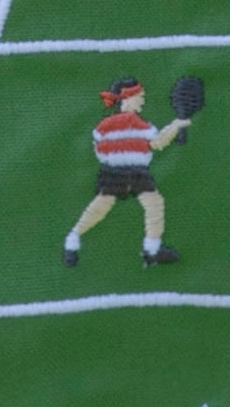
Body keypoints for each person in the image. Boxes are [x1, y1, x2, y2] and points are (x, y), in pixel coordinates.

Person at [63, 76, 187, 268]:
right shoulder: (137, 123)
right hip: (135, 172)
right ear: (128, 98)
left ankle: (73, 239)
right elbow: (158, 142)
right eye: (140, 96)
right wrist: (176, 125)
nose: (143, 100)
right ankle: (151, 250)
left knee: (102, 206)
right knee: (151, 205)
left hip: (113, 171)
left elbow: (99, 148)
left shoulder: (103, 126)